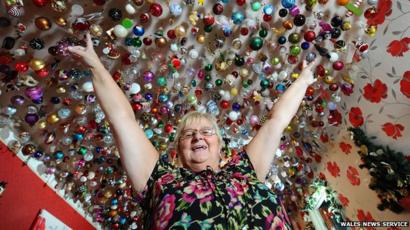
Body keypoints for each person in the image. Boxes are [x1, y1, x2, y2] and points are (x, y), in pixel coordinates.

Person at [68, 33, 316, 229]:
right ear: (178, 150)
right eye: (188, 134)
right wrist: (95, 65)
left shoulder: (245, 170)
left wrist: (304, 79)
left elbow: (276, 120)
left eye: (207, 132)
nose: (198, 136)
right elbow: (122, 119)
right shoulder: (160, 180)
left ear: (220, 144)